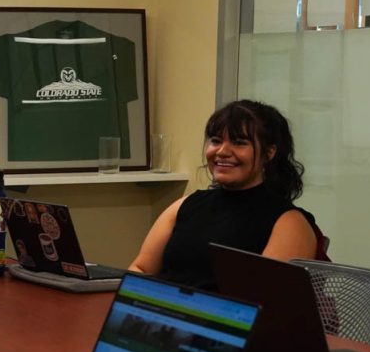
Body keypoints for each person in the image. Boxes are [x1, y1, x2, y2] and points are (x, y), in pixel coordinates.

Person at [128, 99, 319, 290]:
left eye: (239, 143)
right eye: (216, 141)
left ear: (269, 153)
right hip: (161, 315)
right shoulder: (185, 205)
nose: (222, 151)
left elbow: (266, 303)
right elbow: (141, 268)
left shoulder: (289, 222)